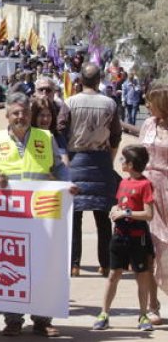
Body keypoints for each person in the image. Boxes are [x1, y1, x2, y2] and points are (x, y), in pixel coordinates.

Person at [0, 92, 77, 337]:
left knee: (42, 265)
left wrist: (68, 184)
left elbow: (58, 167)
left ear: (30, 114)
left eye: (24, 112)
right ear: (7, 116)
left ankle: (42, 320)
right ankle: (13, 319)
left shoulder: (46, 137)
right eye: (15, 113)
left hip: (41, 215)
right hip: (8, 215)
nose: (20, 117)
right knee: (9, 267)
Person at [60, 64, 122, 278]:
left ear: (80, 81)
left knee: (74, 216)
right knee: (103, 217)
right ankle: (105, 264)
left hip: (75, 159)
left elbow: (61, 131)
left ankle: (74, 264)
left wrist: (64, 158)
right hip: (101, 160)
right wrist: (110, 158)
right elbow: (115, 136)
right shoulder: (109, 103)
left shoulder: (69, 103)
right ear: (99, 80)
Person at [93, 145, 157, 332]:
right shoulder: (123, 182)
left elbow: (148, 214)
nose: (121, 163)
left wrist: (125, 212)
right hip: (119, 236)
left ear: (131, 164)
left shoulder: (145, 184)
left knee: (142, 276)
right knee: (113, 275)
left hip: (138, 238)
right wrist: (115, 210)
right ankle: (104, 313)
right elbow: (119, 204)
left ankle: (143, 314)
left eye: (123, 160)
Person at [139, 86, 168, 324]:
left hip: (167, 192)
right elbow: (139, 155)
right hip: (147, 192)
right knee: (150, 249)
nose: (147, 105)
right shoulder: (148, 124)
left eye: (151, 101)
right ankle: (153, 305)